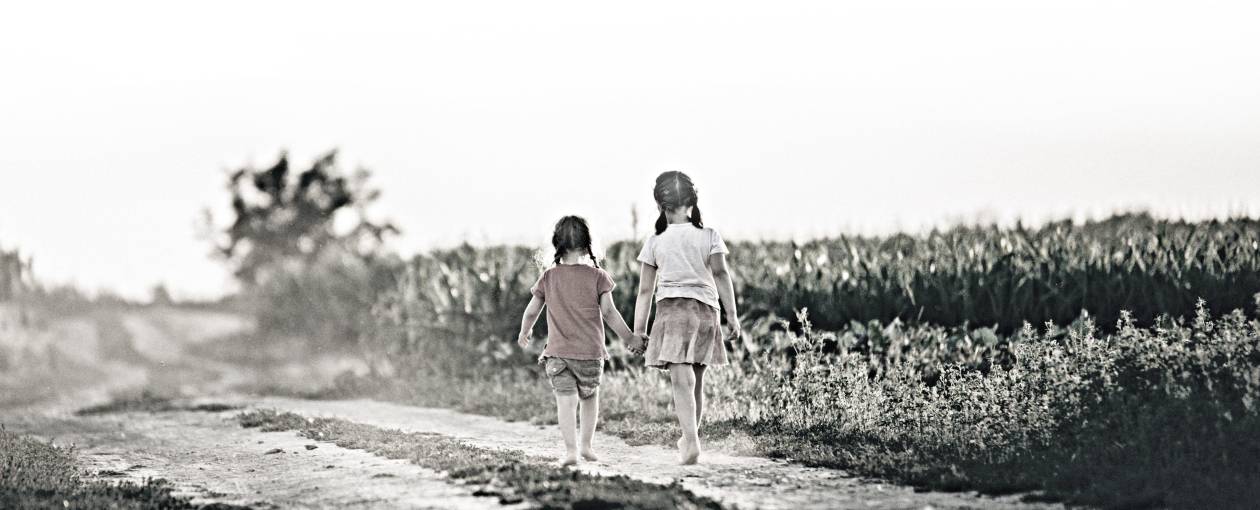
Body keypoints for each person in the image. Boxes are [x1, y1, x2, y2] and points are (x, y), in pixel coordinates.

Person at [517, 215, 648, 466]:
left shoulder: (549, 277)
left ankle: (570, 451)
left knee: (565, 403)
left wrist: (525, 331)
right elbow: (610, 313)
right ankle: (587, 445)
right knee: (589, 399)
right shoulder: (597, 276)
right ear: (587, 243)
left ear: (557, 244)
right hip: (590, 354)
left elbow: (532, 310)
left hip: (558, 355)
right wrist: (630, 337)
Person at [633, 171, 742, 465]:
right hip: (706, 312)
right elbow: (721, 274)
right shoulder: (709, 236)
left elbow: (645, 291)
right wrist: (732, 316)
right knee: (696, 382)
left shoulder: (655, 240)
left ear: (660, 205)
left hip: (672, 312)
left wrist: (639, 330)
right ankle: (691, 437)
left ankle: (690, 439)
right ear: (692, 201)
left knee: (681, 381)